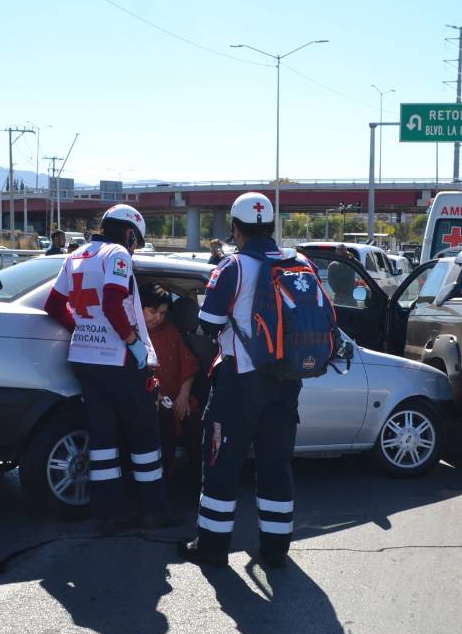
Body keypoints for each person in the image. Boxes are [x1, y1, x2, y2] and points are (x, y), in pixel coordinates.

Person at [177, 192, 304, 569]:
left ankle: (212, 547)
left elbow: (208, 325)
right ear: (271, 226)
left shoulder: (233, 266)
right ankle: (277, 549)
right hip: (287, 381)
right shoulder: (298, 263)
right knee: (276, 464)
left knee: (221, 463)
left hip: (241, 380)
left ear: (235, 228)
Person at [45, 204, 175, 532]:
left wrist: (82, 329)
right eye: (135, 240)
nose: (134, 247)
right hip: (118, 361)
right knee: (145, 436)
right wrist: (133, 343)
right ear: (129, 233)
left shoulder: (76, 255)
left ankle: (108, 515)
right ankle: (154, 511)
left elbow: (53, 304)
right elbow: (113, 302)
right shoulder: (117, 253)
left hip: (85, 359)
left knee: (104, 440)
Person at [139, 282, 201, 490]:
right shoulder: (132, 333)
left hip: (177, 396)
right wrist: (156, 397)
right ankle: (167, 485)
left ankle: (199, 487)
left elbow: (188, 363)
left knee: (194, 422)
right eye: (152, 311)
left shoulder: (170, 330)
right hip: (150, 399)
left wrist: (183, 396)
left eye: (163, 313)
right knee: (164, 420)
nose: (157, 318)